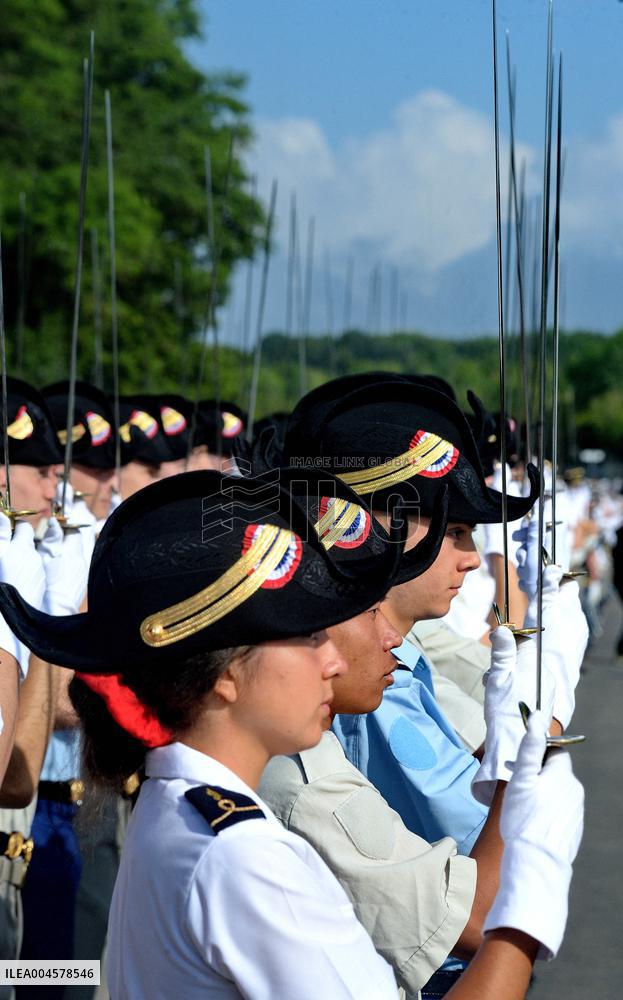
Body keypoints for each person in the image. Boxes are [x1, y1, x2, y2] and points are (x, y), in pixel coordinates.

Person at [0, 469, 405, 998]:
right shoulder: (240, 855)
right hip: (51, 835)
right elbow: (14, 776)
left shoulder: (188, 810)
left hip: (72, 828)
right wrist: (524, 904)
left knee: (80, 973)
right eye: (308, 635)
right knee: (51, 979)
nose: (333, 662)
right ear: (226, 673)